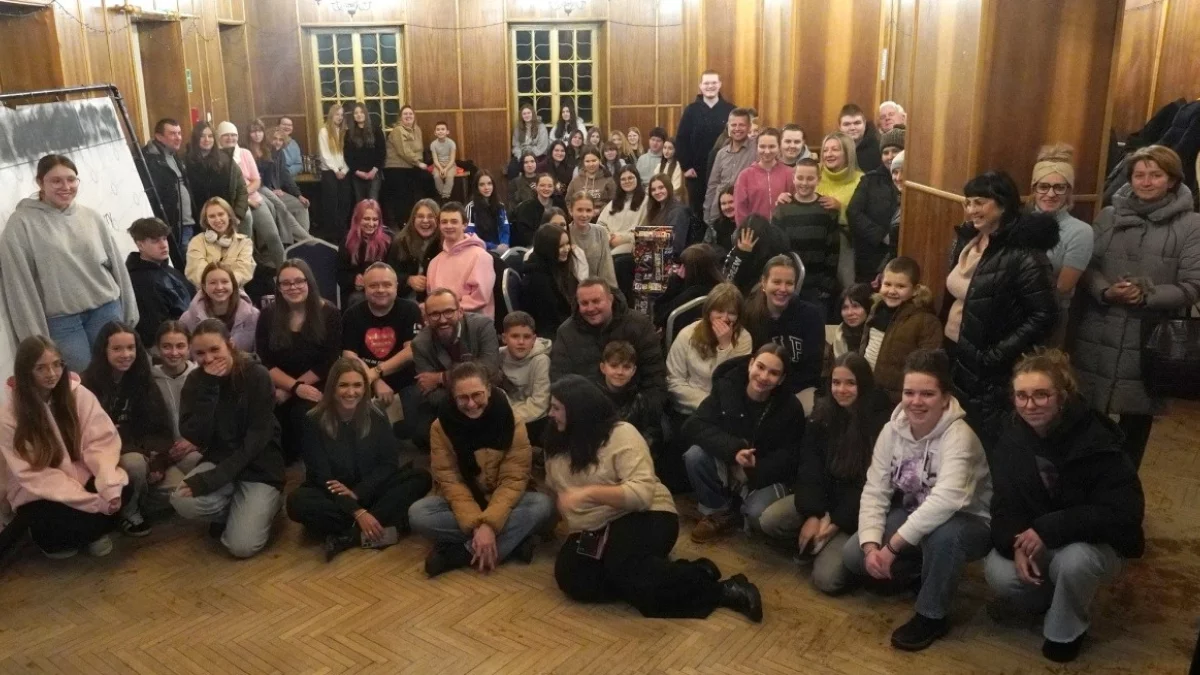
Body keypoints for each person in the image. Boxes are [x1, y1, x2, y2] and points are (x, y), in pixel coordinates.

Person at [545, 374, 763, 622]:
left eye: (557, 408)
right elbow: (557, 490)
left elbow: (641, 495)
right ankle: (682, 573)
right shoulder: (556, 442)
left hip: (645, 514)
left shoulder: (621, 434)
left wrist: (590, 493)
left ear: (578, 411)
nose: (550, 414)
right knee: (573, 578)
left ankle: (725, 591)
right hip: (594, 526)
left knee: (623, 566)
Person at [985, 349, 1145, 662]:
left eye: (1041, 395)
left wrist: (1047, 529)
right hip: (1041, 538)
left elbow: (1124, 513)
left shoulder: (1097, 439)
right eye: (1021, 396)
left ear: (1062, 396)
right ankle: (1052, 598)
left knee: (1075, 563)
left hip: (1093, 542)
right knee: (998, 570)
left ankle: (1066, 630)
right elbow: (1003, 503)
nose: (1030, 405)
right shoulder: (1012, 439)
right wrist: (1015, 542)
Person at [843, 349, 991, 651]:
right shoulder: (891, 430)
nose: (916, 401)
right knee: (854, 556)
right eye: (909, 392)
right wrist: (872, 546)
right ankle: (922, 573)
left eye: (927, 394)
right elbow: (875, 489)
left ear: (945, 398)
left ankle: (932, 615)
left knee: (944, 535)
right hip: (916, 512)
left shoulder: (959, 436)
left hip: (969, 522)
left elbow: (946, 501)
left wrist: (892, 547)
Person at [1075, 145, 1200, 469]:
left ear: (1172, 179)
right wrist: (1105, 290)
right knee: (1086, 427)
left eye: (1155, 175)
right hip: (1098, 332)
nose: (1146, 182)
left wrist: (1145, 295)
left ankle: (1123, 494)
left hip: (1149, 339)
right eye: (1139, 175)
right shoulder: (1109, 215)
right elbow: (1086, 266)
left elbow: (1192, 285)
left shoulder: (1191, 225)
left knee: (1133, 434)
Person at [943, 171, 1059, 452]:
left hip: (992, 368)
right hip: (958, 354)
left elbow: (1044, 315)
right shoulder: (969, 239)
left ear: (1004, 205)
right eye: (968, 202)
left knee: (988, 444)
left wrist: (995, 355)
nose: (971, 210)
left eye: (980, 202)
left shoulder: (1025, 254)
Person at [758, 352, 893, 594]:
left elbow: (869, 485)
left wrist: (835, 523)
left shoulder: (880, 424)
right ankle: (811, 541)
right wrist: (813, 514)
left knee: (827, 580)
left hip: (855, 511)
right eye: (836, 382)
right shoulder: (822, 414)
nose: (841, 390)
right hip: (823, 498)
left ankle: (827, 549)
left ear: (863, 384)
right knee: (769, 520)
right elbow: (809, 466)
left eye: (850, 383)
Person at [408, 361, 554, 577]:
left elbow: (513, 479)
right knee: (419, 514)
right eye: (462, 398)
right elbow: (450, 480)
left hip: (502, 497)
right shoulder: (440, 427)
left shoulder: (513, 422)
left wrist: (490, 525)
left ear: (489, 390)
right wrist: (479, 526)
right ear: (453, 397)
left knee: (542, 505)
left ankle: (460, 554)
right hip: (464, 499)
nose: (471, 404)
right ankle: (513, 544)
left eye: (477, 395)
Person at [1, 155, 139, 372]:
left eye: (71, 179)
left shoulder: (90, 217)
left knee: (116, 374)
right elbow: (18, 284)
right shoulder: (21, 225)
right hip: (62, 321)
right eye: (56, 181)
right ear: (40, 182)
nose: (65, 187)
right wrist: (33, 335)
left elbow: (116, 267)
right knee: (79, 380)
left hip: (106, 309)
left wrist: (130, 309)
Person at [286, 358, 432, 561]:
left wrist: (358, 493)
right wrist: (357, 511)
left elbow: (389, 464)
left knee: (421, 477)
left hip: (370, 489)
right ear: (332, 387)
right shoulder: (313, 420)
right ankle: (383, 527)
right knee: (297, 502)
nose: (351, 392)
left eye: (357, 385)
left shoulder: (377, 415)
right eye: (343, 385)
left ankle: (349, 537)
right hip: (333, 494)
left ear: (365, 388)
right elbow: (321, 476)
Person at [0, 336, 132, 558]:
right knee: (57, 516)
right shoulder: (10, 415)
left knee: (122, 488)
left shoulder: (77, 394)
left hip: (80, 473)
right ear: (25, 372)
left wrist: (107, 483)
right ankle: (61, 539)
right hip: (39, 489)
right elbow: (33, 474)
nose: (51, 373)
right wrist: (88, 501)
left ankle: (88, 534)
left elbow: (100, 442)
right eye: (41, 368)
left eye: (56, 364)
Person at [171, 319, 285, 559]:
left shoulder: (257, 375)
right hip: (220, 459)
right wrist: (209, 388)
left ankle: (268, 508)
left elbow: (256, 439)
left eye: (215, 349)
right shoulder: (197, 381)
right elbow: (195, 434)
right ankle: (240, 512)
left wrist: (213, 479)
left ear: (230, 345)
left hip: (259, 465)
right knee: (181, 501)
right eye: (200, 353)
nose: (208, 359)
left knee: (241, 547)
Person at [682, 343, 805, 542]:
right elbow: (694, 425)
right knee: (695, 456)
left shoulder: (791, 407)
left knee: (757, 514)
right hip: (729, 460)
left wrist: (753, 469)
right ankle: (718, 512)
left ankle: (741, 511)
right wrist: (734, 450)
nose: (764, 377)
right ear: (750, 364)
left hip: (763, 474)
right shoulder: (727, 387)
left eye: (773, 373)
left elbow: (791, 456)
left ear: (781, 379)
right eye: (760, 367)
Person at [81, 322, 174, 536]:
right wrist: (136, 449)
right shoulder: (86, 384)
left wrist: (158, 459)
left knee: (178, 492)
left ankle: (134, 499)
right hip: (104, 455)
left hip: (142, 449)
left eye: (131, 348)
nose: (126, 355)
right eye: (117, 349)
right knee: (135, 464)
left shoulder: (143, 379)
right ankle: (129, 512)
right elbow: (90, 436)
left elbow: (160, 426)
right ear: (103, 350)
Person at [256, 260, 342, 460]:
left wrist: (295, 389)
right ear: (279, 287)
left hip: (316, 383)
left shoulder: (330, 314)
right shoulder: (268, 315)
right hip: (279, 383)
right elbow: (265, 361)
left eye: (298, 281)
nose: (293, 287)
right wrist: (292, 387)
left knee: (304, 414)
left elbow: (328, 362)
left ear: (308, 282)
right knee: (267, 419)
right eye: (286, 283)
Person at [550, 278, 668, 414]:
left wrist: (631, 416)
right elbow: (561, 384)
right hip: (586, 414)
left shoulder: (640, 325)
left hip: (636, 412)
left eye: (596, 301)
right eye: (584, 303)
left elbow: (655, 381)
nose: (590, 308)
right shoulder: (566, 333)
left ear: (610, 299)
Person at [339, 262, 424, 437]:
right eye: (374, 285)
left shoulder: (410, 309)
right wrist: (375, 381)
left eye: (386, 284)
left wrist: (377, 372)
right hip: (365, 380)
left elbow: (411, 351)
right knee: (359, 432)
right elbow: (349, 356)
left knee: (411, 432)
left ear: (396, 286)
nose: (380, 290)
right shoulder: (352, 314)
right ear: (364, 288)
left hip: (405, 381)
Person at [411, 289, 502, 447]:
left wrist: (441, 378)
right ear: (426, 318)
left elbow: (490, 368)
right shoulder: (420, 344)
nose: (442, 320)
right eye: (434, 314)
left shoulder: (482, 326)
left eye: (448, 312)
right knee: (422, 435)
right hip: (447, 400)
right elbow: (430, 392)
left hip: (483, 393)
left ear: (460, 312)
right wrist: (463, 400)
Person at [1027, 144, 1094, 345]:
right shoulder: (1018, 223)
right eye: (1043, 186)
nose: (1050, 194)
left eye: (1059, 187)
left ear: (1068, 192)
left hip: (1049, 316)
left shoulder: (1080, 231)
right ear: (1034, 189)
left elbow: (1062, 287)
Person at [743, 255, 824, 413]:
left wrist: (779, 389)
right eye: (776, 282)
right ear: (764, 283)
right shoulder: (749, 315)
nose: (783, 289)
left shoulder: (811, 315)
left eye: (789, 283)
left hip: (798, 389)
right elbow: (744, 363)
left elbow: (812, 370)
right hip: (759, 383)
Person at [861, 257, 943, 402]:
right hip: (869, 390)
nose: (892, 291)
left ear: (915, 290)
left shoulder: (926, 321)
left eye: (900, 286)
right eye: (887, 284)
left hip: (898, 398)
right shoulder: (876, 309)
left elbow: (928, 365)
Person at [667, 283, 752, 416]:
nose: (724, 318)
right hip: (690, 408)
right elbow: (673, 381)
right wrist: (708, 403)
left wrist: (725, 347)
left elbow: (732, 384)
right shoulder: (687, 334)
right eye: (719, 311)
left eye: (731, 313)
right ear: (709, 312)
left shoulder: (744, 339)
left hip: (725, 409)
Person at [773, 158, 839, 315]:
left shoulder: (827, 210)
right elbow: (775, 249)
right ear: (793, 178)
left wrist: (826, 284)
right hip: (788, 285)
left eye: (810, 178)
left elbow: (833, 249)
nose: (804, 183)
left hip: (818, 287)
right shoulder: (782, 209)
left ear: (818, 179)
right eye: (800, 178)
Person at [216, 122, 285, 270]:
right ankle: (246, 275)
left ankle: (284, 270)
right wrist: (243, 200)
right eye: (226, 135)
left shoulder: (245, 153)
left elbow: (256, 180)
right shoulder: (216, 158)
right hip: (233, 204)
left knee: (273, 236)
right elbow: (223, 190)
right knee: (245, 241)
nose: (230, 138)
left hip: (253, 197)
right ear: (219, 137)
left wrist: (244, 195)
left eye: (233, 135)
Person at [125, 217, 195, 347]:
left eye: (164, 238)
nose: (163, 245)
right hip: (172, 344)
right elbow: (156, 329)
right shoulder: (140, 281)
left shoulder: (169, 270)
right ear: (140, 245)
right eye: (155, 241)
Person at [152, 321, 204, 490]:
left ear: (189, 347)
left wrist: (195, 442)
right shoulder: (149, 381)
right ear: (157, 348)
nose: (174, 353)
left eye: (180, 346)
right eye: (167, 346)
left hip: (194, 450)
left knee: (197, 466)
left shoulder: (201, 377)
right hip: (163, 453)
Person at [848, 126, 904, 282]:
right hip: (872, 254)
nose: (890, 156)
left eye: (895, 151)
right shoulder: (870, 180)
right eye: (885, 152)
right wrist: (882, 236)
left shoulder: (911, 183)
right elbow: (854, 212)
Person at [677, 71, 736, 218]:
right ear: (700, 86)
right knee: (698, 213)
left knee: (724, 211)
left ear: (720, 85)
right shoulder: (691, 110)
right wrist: (686, 167)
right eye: (706, 83)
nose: (710, 86)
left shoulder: (731, 110)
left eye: (714, 83)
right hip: (697, 173)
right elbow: (681, 139)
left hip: (725, 171)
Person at [427, 202, 497, 318]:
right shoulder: (434, 262)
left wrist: (448, 311)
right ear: (439, 226)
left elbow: (480, 299)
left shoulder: (481, 256)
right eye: (444, 222)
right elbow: (432, 297)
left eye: (454, 221)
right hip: (441, 320)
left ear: (464, 225)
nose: (449, 226)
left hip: (473, 321)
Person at [813, 132, 864, 290]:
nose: (829, 154)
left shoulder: (861, 180)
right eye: (825, 150)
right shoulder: (814, 175)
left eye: (835, 149)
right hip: (815, 241)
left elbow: (866, 220)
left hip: (846, 244)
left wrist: (840, 209)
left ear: (848, 153)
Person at [596, 341, 664, 457]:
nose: (620, 372)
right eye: (614, 366)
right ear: (603, 368)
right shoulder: (592, 398)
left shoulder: (641, 400)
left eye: (626, 367)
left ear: (633, 370)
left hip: (632, 456)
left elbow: (652, 435)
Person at [183, 122, 249, 236]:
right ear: (195, 138)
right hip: (198, 222)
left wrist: (238, 215)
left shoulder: (226, 160)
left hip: (224, 220)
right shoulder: (185, 162)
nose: (207, 139)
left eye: (210, 136)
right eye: (202, 136)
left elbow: (241, 189)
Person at [140, 117, 196, 248]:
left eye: (179, 133)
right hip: (169, 229)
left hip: (187, 224)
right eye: (172, 134)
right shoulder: (147, 161)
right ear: (159, 136)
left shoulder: (175, 156)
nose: (178, 138)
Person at [180, 263, 260, 353]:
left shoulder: (254, 316)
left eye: (224, 282)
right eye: (213, 283)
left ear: (233, 285)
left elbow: (259, 354)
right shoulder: (188, 319)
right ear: (204, 287)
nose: (219, 287)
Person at [498, 311, 551, 440]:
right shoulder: (497, 356)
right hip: (504, 416)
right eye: (515, 336)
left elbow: (540, 404)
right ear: (504, 338)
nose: (521, 342)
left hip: (534, 420)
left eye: (527, 337)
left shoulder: (541, 361)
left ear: (534, 339)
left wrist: (507, 417)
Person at [598, 166, 647, 300]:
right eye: (623, 179)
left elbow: (645, 229)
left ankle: (622, 302)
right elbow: (601, 224)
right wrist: (608, 236)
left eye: (630, 178)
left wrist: (623, 238)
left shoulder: (646, 201)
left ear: (637, 179)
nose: (627, 181)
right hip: (609, 243)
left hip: (633, 245)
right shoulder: (614, 202)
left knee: (615, 264)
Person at [521, 224, 578, 339]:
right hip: (553, 334)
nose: (567, 249)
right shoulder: (537, 279)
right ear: (547, 248)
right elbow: (551, 318)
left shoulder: (557, 267)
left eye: (567, 243)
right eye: (560, 246)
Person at [185, 196, 256, 287]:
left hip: (234, 290)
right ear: (206, 220)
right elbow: (196, 271)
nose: (217, 220)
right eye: (212, 216)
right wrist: (215, 287)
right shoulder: (197, 241)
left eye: (221, 214)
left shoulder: (245, 243)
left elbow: (243, 272)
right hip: (206, 291)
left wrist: (224, 286)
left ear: (229, 216)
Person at [654, 243, 725, 331]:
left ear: (693, 270)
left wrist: (675, 282)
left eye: (683, 266)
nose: (679, 270)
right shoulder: (720, 288)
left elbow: (660, 315)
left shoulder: (693, 294)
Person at [338, 199, 392, 307]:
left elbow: (394, 270)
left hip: (383, 288)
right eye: (366, 219)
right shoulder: (347, 242)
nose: (371, 224)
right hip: (358, 292)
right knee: (358, 300)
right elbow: (340, 274)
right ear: (357, 219)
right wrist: (354, 280)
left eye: (375, 219)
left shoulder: (389, 240)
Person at [703, 109, 755, 224]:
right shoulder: (721, 154)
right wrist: (707, 215)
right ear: (728, 127)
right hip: (720, 214)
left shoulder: (757, 149)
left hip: (745, 214)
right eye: (733, 125)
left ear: (749, 127)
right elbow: (712, 185)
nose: (737, 128)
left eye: (741, 125)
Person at [384, 105, 432, 227]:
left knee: (426, 183)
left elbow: (419, 150)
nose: (408, 116)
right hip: (396, 167)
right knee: (403, 196)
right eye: (405, 114)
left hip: (411, 166)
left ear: (414, 116)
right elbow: (403, 151)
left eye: (410, 114)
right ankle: (402, 223)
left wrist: (420, 163)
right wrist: (418, 163)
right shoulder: (398, 130)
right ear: (400, 117)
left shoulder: (417, 130)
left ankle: (418, 219)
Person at [386, 199, 442, 303]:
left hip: (436, 298)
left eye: (430, 216)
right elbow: (388, 274)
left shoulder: (443, 244)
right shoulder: (400, 242)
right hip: (404, 298)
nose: (425, 220)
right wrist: (408, 280)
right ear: (413, 219)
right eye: (420, 216)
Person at [734, 128, 793, 225]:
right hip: (755, 231)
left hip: (783, 230)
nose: (767, 151)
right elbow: (740, 210)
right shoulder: (745, 176)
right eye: (762, 146)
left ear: (779, 147)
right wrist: (745, 231)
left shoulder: (789, 173)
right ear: (757, 147)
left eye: (772, 146)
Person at [264, 125, 313, 240]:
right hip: (265, 192)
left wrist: (298, 195)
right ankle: (305, 240)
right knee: (283, 210)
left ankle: (303, 240)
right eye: (275, 139)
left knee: (302, 205)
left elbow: (285, 175)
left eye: (281, 140)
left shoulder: (280, 153)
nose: (278, 142)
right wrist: (271, 191)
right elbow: (259, 178)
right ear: (269, 139)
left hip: (277, 192)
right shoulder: (264, 153)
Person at [723, 214, 790, 296]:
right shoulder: (739, 245)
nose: (748, 242)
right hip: (745, 291)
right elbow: (729, 281)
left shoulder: (777, 245)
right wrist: (742, 254)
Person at [566, 193, 617, 288]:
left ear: (593, 212)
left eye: (588, 210)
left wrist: (609, 291)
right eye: (579, 210)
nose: (584, 215)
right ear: (570, 211)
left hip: (597, 288)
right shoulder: (565, 233)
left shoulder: (600, 231)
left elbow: (607, 268)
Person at [318, 103, 353, 239]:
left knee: (345, 201)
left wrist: (344, 169)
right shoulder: (324, 131)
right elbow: (325, 154)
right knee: (331, 203)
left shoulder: (345, 132)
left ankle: (342, 232)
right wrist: (335, 170)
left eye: (342, 115)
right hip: (329, 172)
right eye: (337, 114)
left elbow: (347, 154)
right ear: (331, 115)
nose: (339, 117)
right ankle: (331, 234)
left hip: (344, 171)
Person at [343, 102, 386, 205]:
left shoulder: (376, 130)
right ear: (353, 116)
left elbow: (382, 152)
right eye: (356, 113)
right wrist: (358, 172)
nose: (359, 115)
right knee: (360, 204)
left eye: (361, 112)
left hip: (374, 173)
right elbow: (348, 156)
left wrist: (373, 171)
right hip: (357, 175)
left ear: (366, 114)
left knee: (373, 203)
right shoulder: (349, 134)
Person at [512, 174, 566, 248]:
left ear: (554, 188)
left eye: (550, 186)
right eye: (542, 185)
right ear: (536, 187)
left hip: (560, 243)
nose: (546, 188)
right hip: (534, 246)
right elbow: (525, 235)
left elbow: (566, 224)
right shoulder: (526, 207)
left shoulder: (560, 203)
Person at [647, 174, 693, 258]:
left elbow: (676, 245)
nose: (657, 192)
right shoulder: (655, 210)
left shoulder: (678, 211)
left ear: (668, 188)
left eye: (661, 187)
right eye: (653, 189)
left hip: (673, 258)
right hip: (657, 254)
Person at [464, 170, 510, 253]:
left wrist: (504, 244)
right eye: (482, 185)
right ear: (476, 187)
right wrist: (494, 247)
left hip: (501, 250)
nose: (486, 188)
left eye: (489, 183)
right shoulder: (471, 207)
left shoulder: (500, 206)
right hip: (480, 250)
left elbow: (505, 230)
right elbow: (470, 235)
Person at [827, 283, 873, 364]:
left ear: (867, 308)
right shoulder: (839, 339)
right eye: (845, 307)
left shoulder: (877, 335)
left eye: (856, 306)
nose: (850, 313)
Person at [566, 148, 616, 214]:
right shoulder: (576, 180)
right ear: (583, 162)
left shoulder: (608, 179)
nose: (591, 164)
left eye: (594, 160)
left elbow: (614, 201)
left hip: (602, 216)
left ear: (599, 160)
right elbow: (568, 200)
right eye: (587, 161)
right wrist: (572, 212)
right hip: (580, 217)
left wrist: (600, 210)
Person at [509, 104, 550, 178]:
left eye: (528, 113)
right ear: (521, 116)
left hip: (538, 155)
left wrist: (530, 156)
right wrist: (520, 156)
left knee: (536, 167)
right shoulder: (518, 128)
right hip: (521, 155)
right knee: (512, 168)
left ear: (533, 114)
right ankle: (516, 185)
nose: (526, 115)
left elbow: (542, 146)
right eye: (524, 114)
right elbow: (515, 146)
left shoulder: (541, 127)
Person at [838, 104, 882, 173]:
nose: (852, 128)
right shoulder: (833, 149)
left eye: (857, 123)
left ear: (864, 124)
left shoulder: (880, 147)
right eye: (847, 124)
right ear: (839, 127)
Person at [704, 185, 738, 256]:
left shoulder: (746, 225)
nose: (727, 207)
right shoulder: (715, 226)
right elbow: (705, 250)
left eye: (731, 202)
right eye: (723, 204)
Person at [429, 121, 458, 201]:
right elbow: (435, 160)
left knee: (449, 176)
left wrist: (446, 169)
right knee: (436, 176)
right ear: (435, 133)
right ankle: (443, 196)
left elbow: (452, 159)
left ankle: (446, 196)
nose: (440, 131)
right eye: (438, 129)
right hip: (438, 165)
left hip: (450, 165)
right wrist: (441, 168)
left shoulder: (451, 143)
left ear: (447, 132)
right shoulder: (433, 144)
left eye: (443, 129)